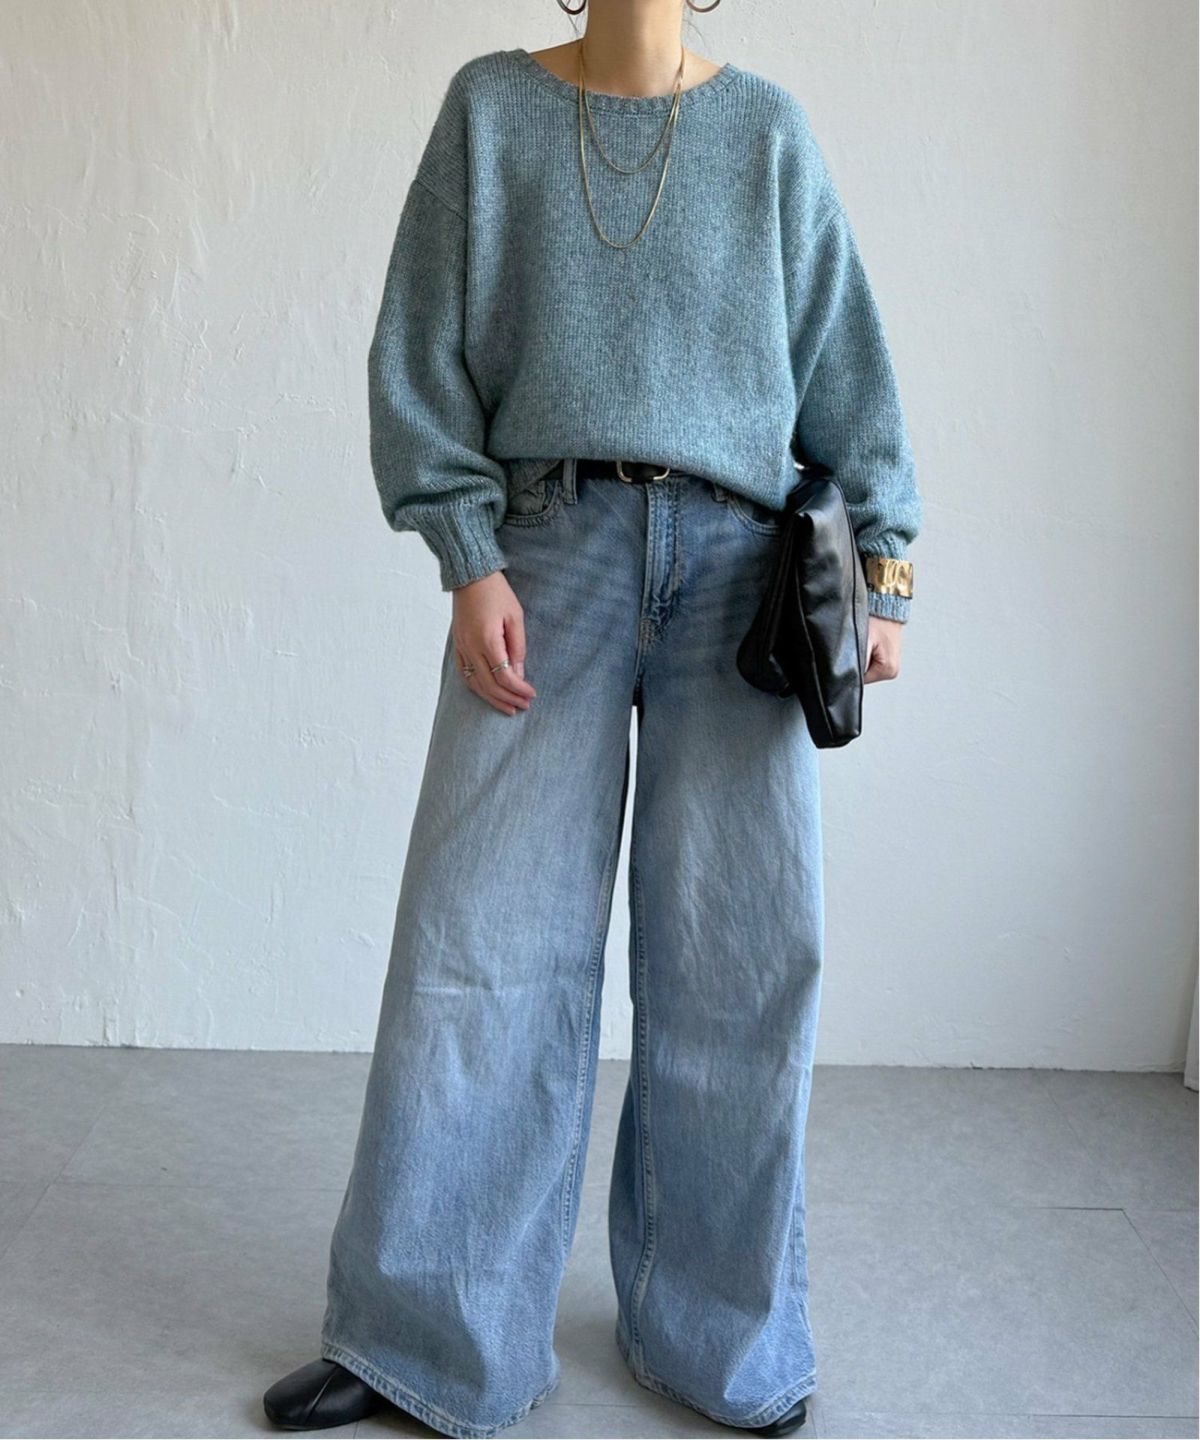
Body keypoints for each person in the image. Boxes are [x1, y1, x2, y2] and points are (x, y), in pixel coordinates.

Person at [263, 2, 921, 1437]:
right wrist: (467, 556)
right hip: (544, 554)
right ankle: (424, 1338)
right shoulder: (490, 111)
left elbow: (845, 365)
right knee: (479, 941)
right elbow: (419, 348)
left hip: (743, 578)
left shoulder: (766, 133)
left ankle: (723, 1338)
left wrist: (884, 569)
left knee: (741, 959)